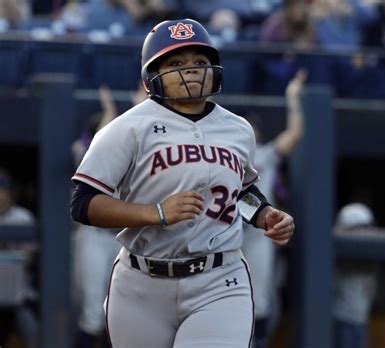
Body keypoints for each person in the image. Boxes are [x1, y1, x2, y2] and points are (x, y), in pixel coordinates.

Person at [70, 18, 295, 348]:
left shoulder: (238, 129)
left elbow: (242, 192)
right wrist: (155, 213)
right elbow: (83, 204)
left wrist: (264, 215)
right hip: (141, 282)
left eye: (199, 62)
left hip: (219, 278)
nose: (191, 70)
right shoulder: (127, 128)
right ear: (151, 76)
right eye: (177, 62)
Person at [241, 69, 304, 348]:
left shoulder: (265, 154)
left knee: (261, 298)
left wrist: (293, 97)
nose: (250, 132)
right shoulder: (221, 155)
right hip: (226, 235)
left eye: (253, 128)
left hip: (258, 234)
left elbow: (295, 133)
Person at [72, 86, 123, 348]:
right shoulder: (84, 150)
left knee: (116, 314)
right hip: (93, 236)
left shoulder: (125, 153)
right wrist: (110, 111)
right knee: (93, 312)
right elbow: (101, 138)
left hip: (120, 237)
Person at [0, 168, 38, 348]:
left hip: (20, 294)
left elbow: (29, 258)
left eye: (3, 191)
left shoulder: (22, 217)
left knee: (33, 333)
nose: (0, 196)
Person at [333, 202, 377, 348]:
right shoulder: (339, 256)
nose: (363, 234)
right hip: (342, 321)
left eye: (365, 229)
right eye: (357, 230)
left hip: (362, 321)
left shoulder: (371, 255)